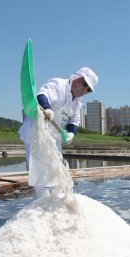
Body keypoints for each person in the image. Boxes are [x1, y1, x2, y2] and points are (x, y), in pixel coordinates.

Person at [18, 67, 98, 197]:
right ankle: (44, 208)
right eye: (85, 84)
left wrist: (71, 133)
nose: (85, 90)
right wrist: (47, 109)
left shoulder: (77, 103)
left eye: (89, 89)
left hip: (54, 137)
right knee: (41, 177)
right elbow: (42, 96)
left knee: (57, 174)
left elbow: (75, 120)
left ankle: (56, 206)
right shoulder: (59, 84)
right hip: (36, 133)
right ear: (76, 78)